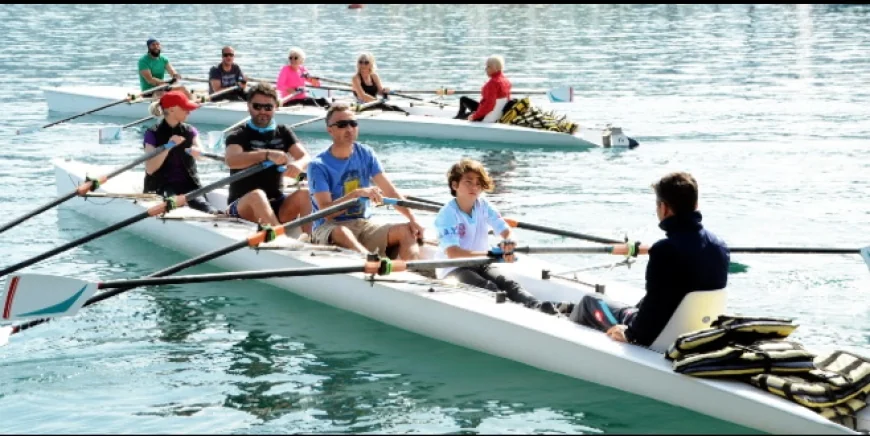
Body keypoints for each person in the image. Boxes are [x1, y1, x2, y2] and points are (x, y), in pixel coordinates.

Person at [557, 172, 730, 348]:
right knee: (630, 306)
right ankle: (564, 309)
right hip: (697, 335)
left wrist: (630, 334)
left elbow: (650, 316)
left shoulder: (665, 250)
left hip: (659, 339)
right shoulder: (720, 246)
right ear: (696, 204)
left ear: (663, 208)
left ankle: (561, 332)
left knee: (590, 302)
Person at [434, 159, 556, 314]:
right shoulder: (447, 215)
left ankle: (539, 307)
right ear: (454, 185)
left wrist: (509, 242)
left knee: (510, 284)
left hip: (482, 262)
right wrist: (491, 253)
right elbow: (453, 253)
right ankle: (518, 315)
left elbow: (506, 231)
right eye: (469, 182)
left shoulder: (483, 205)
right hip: (453, 268)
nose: (475, 187)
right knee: (488, 288)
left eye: (478, 183)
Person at [308, 102, 424, 259]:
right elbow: (326, 212)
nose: (349, 129)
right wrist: (356, 194)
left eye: (353, 123)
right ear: (330, 130)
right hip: (329, 228)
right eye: (342, 125)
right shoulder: (318, 166)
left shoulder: (366, 154)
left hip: (363, 224)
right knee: (342, 232)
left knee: (406, 231)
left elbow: (390, 191)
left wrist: (413, 219)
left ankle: (418, 274)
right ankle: (371, 262)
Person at [224, 82, 313, 233]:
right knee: (257, 195)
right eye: (257, 106)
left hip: (277, 202)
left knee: (305, 193)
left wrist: (298, 165)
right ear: (249, 106)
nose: (262, 111)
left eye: (268, 107)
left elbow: (305, 157)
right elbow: (231, 160)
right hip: (244, 205)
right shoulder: (238, 134)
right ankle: (280, 240)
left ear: (276, 107)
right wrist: (266, 154)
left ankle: (312, 241)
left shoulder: (283, 132)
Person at [143, 90, 219, 215]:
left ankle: (215, 215)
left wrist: (198, 153)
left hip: (189, 186)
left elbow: (202, 156)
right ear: (172, 110)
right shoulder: (152, 134)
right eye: (185, 108)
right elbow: (150, 169)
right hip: (161, 187)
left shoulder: (190, 131)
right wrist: (168, 146)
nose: (189, 112)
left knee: (207, 208)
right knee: (172, 203)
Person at [454, 55, 511, 121]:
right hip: (493, 113)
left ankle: (456, 120)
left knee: (463, 115)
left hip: (485, 115)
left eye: (488, 67)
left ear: (495, 68)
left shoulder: (493, 83)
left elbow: (489, 105)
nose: (485, 69)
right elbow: (507, 101)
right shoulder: (506, 81)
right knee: (463, 99)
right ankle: (458, 117)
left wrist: (475, 116)